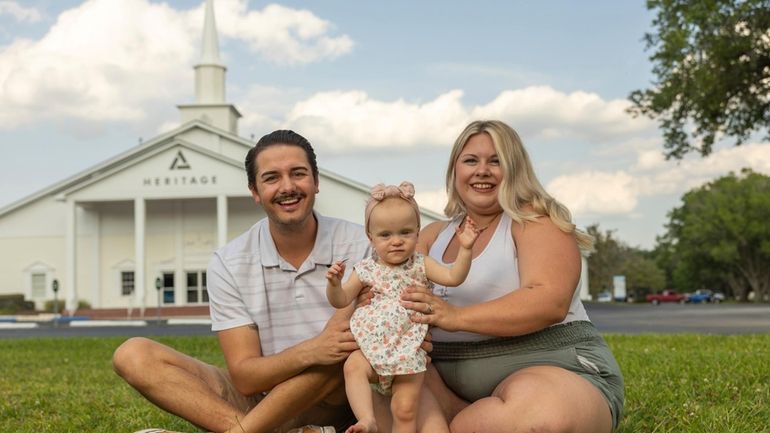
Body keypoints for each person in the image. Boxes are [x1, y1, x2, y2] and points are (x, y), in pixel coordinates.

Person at [112, 130, 373, 433]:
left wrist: (323, 352)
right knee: (133, 354)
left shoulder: (360, 246)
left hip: (337, 399)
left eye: (298, 174)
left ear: (316, 182)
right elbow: (246, 377)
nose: (287, 187)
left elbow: (352, 347)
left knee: (342, 353)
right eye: (271, 178)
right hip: (260, 401)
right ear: (255, 191)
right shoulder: (230, 261)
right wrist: (313, 349)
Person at [399, 120, 625, 433]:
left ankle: (460, 421)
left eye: (496, 161)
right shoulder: (431, 236)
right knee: (372, 406)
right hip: (442, 379)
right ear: (454, 171)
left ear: (515, 169)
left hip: (548, 368)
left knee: (539, 420)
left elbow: (549, 300)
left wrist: (454, 317)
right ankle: (457, 415)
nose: (482, 170)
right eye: (470, 161)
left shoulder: (535, 221)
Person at [325, 182, 480, 433]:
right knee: (352, 367)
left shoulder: (421, 264)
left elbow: (454, 277)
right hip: (371, 347)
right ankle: (367, 419)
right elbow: (341, 299)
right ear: (370, 238)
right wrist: (334, 283)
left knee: (405, 410)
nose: (396, 242)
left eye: (405, 233)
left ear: (418, 233)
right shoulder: (365, 269)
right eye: (385, 235)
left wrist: (466, 248)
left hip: (407, 350)